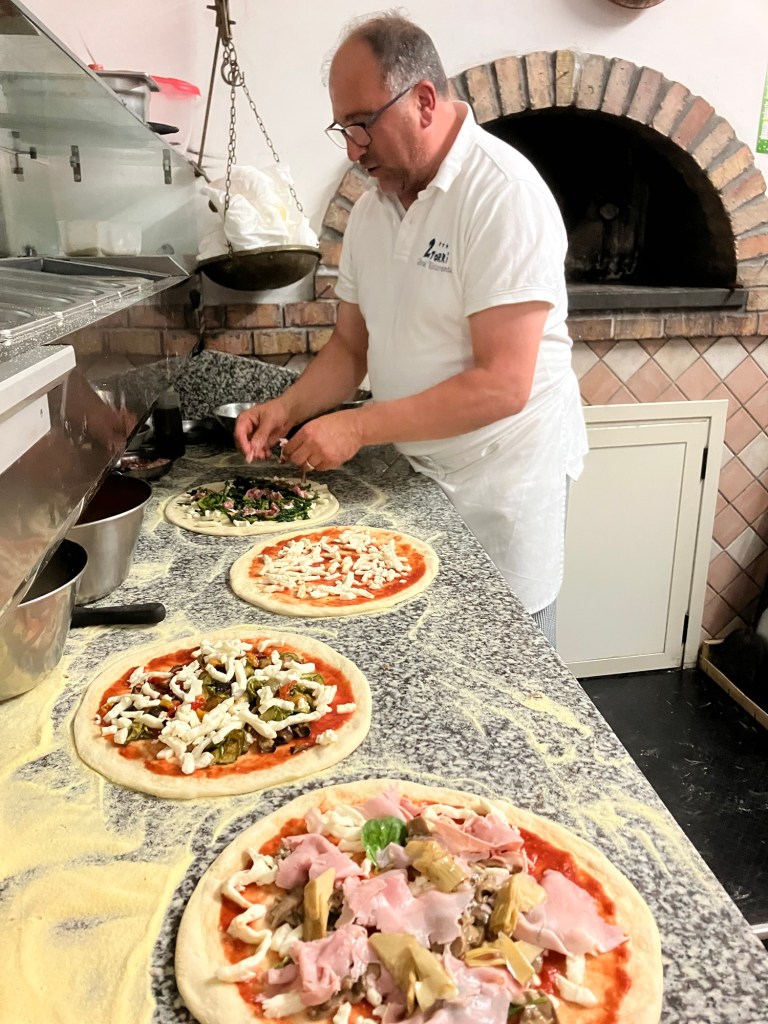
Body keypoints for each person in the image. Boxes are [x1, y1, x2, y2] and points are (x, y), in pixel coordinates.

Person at [234, 12, 588, 646]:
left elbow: (502, 385)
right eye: (343, 129)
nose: (353, 149)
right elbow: (351, 347)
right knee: (422, 650)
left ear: (424, 100)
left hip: (500, 483)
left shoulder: (502, 194)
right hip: (415, 472)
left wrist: (357, 426)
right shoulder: (372, 211)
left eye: (363, 124)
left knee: (507, 659)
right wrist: (287, 408)